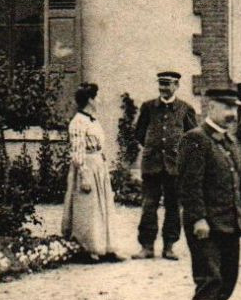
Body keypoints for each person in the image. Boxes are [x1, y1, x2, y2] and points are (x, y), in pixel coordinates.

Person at [176, 88, 241, 300]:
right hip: (205, 225)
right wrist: (198, 218)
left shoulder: (230, 141)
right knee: (210, 278)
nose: (232, 113)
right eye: (225, 107)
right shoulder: (195, 139)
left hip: (230, 223)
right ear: (210, 107)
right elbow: (190, 185)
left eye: (234, 107)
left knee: (228, 279)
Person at [133, 70, 198, 260]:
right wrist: (154, 149)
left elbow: (193, 136)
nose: (163, 88)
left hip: (175, 166)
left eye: (167, 84)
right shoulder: (148, 107)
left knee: (173, 206)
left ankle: (169, 246)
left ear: (176, 86)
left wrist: (179, 154)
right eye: (161, 84)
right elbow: (139, 133)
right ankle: (147, 246)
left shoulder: (185, 109)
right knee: (148, 205)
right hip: (152, 165)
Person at [62, 83, 119, 261]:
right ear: (90, 100)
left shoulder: (92, 120)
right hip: (85, 167)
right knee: (87, 207)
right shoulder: (78, 122)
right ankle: (87, 248)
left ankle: (104, 247)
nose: (99, 100)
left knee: (102, 207)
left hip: (97, 166)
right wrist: (84, 175)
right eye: (97, 97)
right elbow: (77, 152)